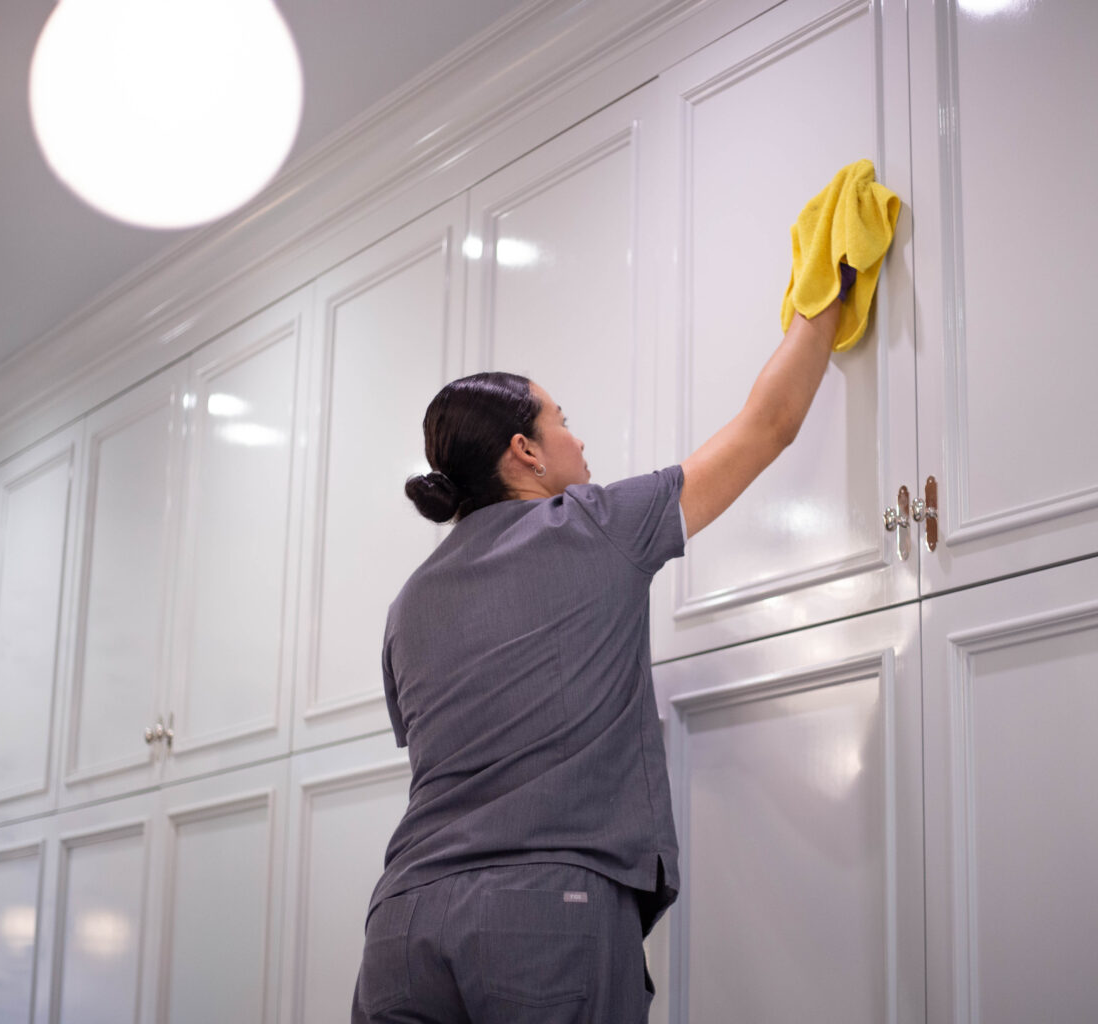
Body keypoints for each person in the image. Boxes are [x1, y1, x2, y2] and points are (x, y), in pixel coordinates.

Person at [352, 293, 844, 1024]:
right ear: (525, 450)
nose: (577, 442)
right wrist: (826, 295)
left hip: (400, 926)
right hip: (543, 919)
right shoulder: (595, 525)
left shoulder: (406, 604)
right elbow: (769, 424)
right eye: (563, 422)